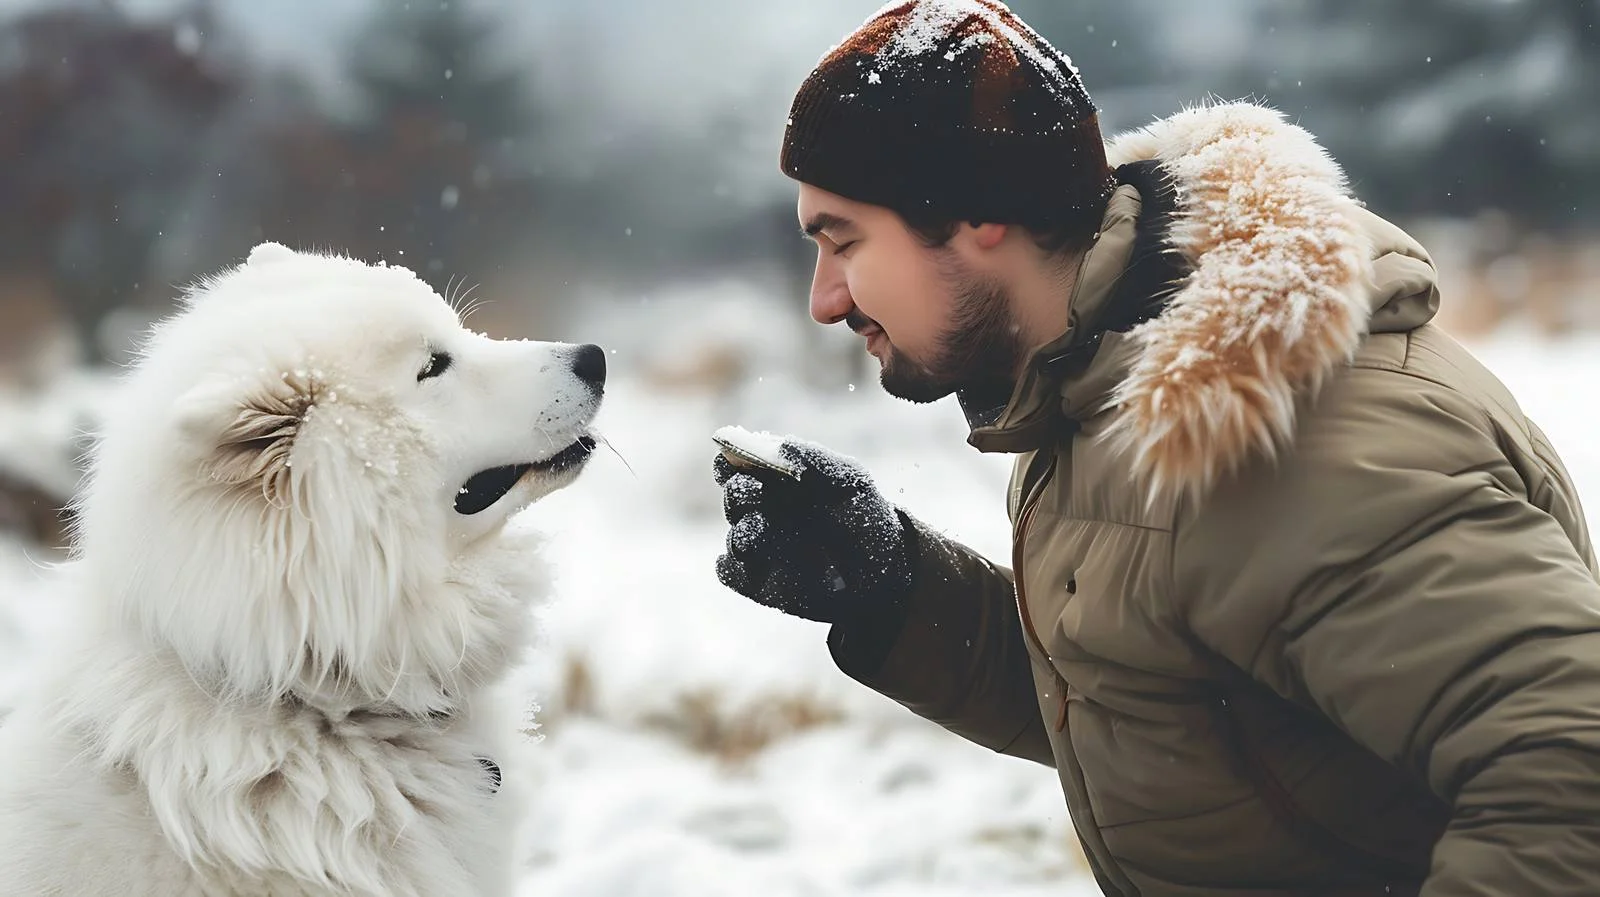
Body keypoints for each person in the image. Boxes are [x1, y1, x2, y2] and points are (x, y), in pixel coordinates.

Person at [710, 1, 1600, 895]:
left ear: (976, 213)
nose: (824, 300)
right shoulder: (1104, 383)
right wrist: (896, 589)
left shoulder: (1292, 444)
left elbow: (1569, 766)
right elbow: (1165, 699)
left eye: (844, 242)